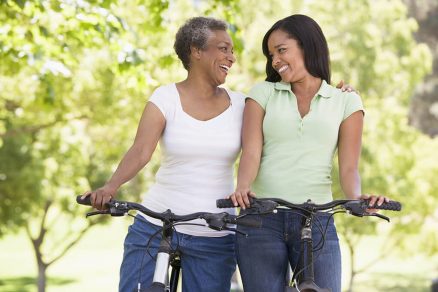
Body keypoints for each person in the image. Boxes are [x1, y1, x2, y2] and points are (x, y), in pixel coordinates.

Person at [229, 14, 388, 292]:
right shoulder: (263, 93)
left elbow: (349, 167)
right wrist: (243, 188)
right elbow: (251, 152)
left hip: (317, 221)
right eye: (271, 55)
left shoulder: (346, 101)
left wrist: (357, 200)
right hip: (261, 219)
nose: (275, 60)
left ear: (307, 45)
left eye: (281, 50)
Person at [82, 17, 243, 292]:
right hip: (157, 224)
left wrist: (337, 96)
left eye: (231, 50)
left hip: (214, 232)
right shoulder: (165, 98)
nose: (232, 56)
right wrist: (110, 187)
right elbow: (141, 150)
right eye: (223, 48)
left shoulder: (241, 104)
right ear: (196, 51)